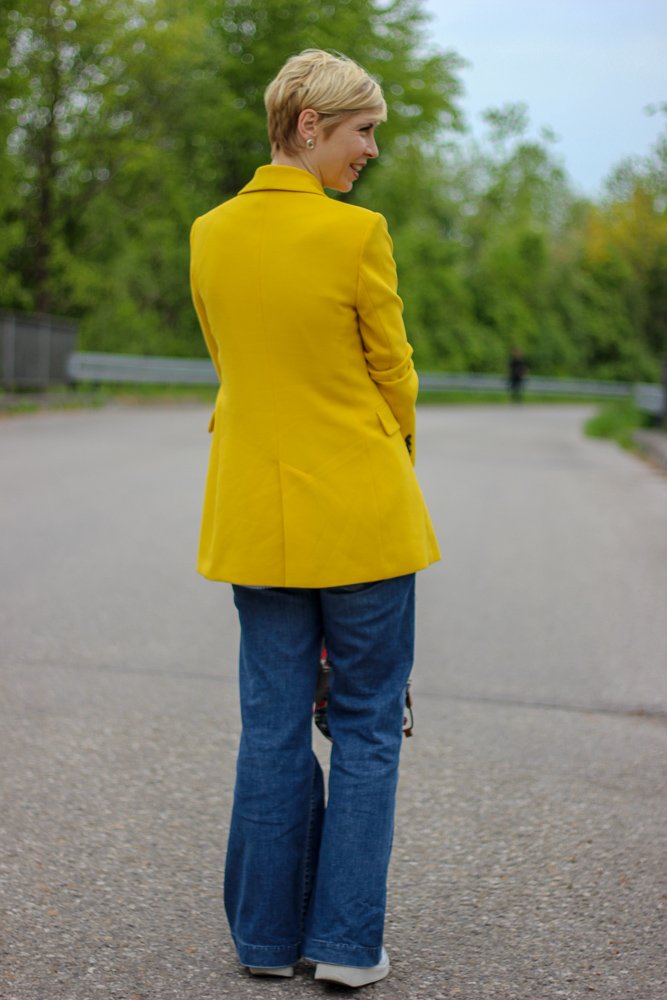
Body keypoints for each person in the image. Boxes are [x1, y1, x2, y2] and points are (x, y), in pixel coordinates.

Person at [189, 49, 440, 989]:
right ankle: (342, 943)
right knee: (370, 724)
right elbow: (394, 372)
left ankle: (263, 941)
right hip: (363, 518)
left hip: (258, 517)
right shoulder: (356, 235)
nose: (370, 150)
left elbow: (230, 364)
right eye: (360, 131)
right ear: (307, 127)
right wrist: (394, 447)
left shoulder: (208, 233)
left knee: (272, 725)